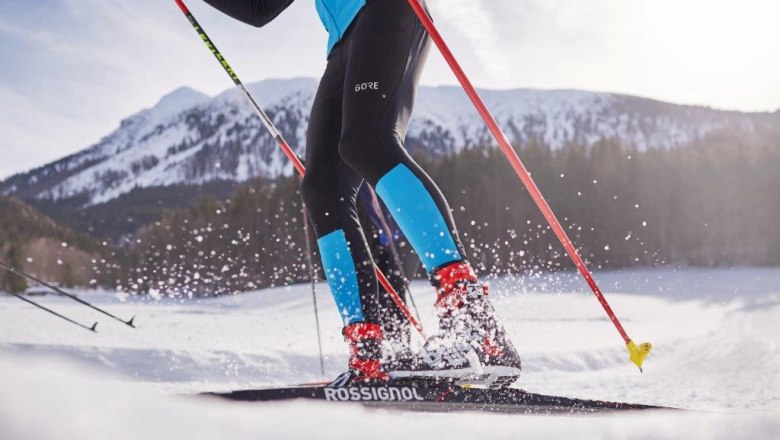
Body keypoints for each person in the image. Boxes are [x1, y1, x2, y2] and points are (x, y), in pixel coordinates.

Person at [203, 0, 522, 386]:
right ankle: (371, 355)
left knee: (367, 143)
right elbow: (259, 10)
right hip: (342, 42)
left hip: (385, 10)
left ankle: (477, 325)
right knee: (321, 187)